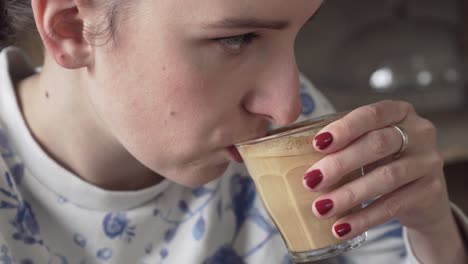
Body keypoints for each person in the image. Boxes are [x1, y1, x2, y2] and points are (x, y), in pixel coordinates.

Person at [0, 0, 466, 263]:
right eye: (237, 38)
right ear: (72, 29)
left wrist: (433, 231)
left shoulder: (290, 124)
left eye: (294, 35)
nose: (285, 108)